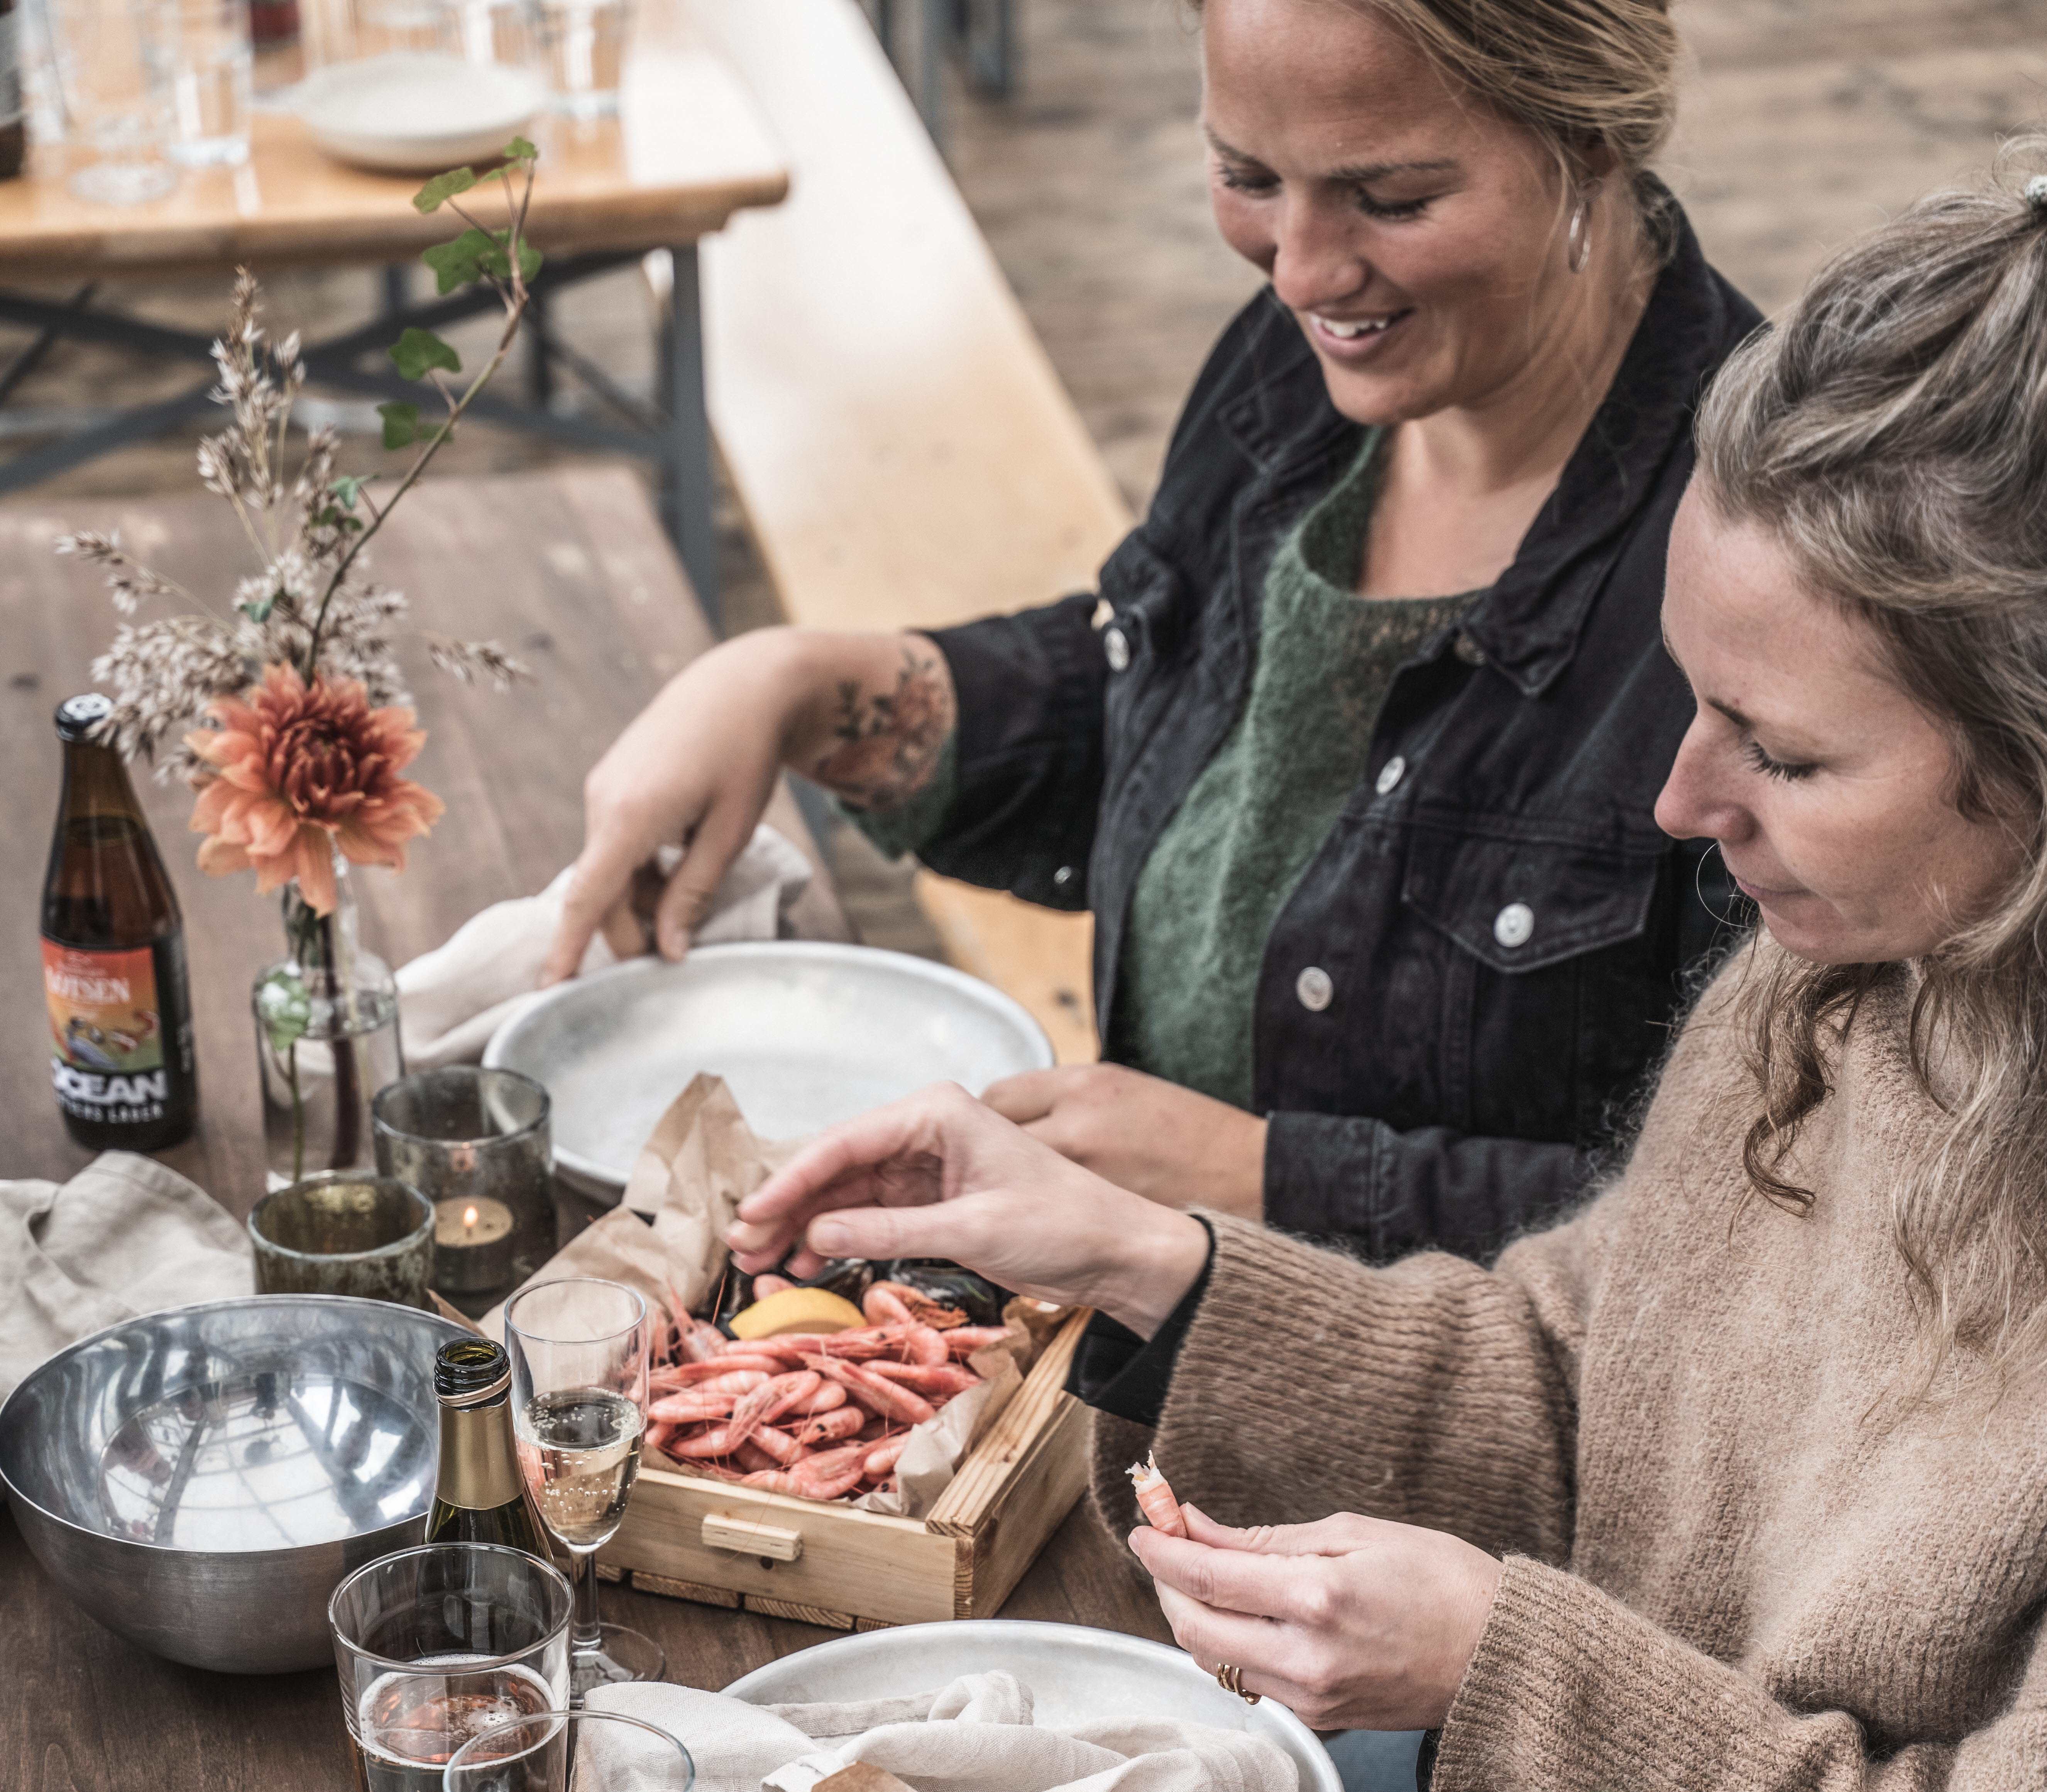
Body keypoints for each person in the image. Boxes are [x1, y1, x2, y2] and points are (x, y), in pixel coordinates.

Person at [724, 159, 2047, 1792]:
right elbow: (1583, 1394)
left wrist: (1510, 1671)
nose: (1681, 809)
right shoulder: (1843, 985)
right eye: (1694, 704)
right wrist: (1157, 1267)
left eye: (1781, 751)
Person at [544, 0, 1758, 1260]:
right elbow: (1193, 721)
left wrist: (1257, 1176)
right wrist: (806, 686)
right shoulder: (1304, 370)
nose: (1299, 270)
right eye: (1245, 177)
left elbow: (1782, 1230)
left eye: (1389, 197)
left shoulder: (1771, 574)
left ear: (1593, 136)